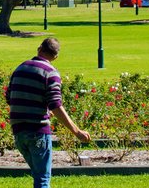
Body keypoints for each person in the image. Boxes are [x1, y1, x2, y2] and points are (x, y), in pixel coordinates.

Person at [6, 37, 90, 188]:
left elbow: (10, 97)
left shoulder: (20, 69)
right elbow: (55, 105)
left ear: (39, 48)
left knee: (38, 176)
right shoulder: (51, 73)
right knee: (43, 179)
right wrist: (76, 131)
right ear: (56, 56)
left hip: (18, 132)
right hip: (38, 131)